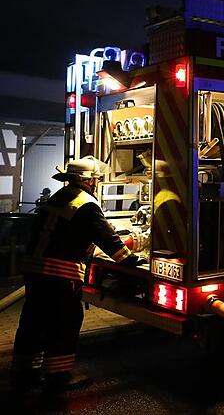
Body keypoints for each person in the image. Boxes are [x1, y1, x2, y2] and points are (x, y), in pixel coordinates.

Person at [10, 156, 146, 392]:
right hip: (60, 272)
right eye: (95, 179)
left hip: (34, 268)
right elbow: (107, 238)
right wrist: (131, 260)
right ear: (87, 181)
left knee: (33, 321)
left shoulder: (58, 198)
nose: (96, 183)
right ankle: (58, 376)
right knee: (64, 322)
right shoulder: (86, 204)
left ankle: (24, 372)